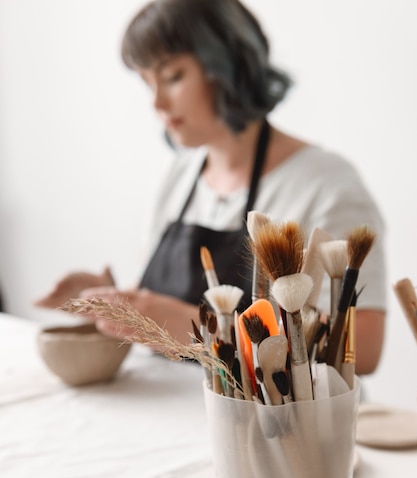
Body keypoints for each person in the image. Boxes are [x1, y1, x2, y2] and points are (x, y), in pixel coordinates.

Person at [34, 0, 386, 375]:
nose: (157, 102)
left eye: (172, 77)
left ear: (229, 66)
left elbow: (364, 348)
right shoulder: (179, 176)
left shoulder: (324, 184)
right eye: (146, 83)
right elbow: (162, 302)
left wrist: (201, 328)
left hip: (279, 429)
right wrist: (113, 298)